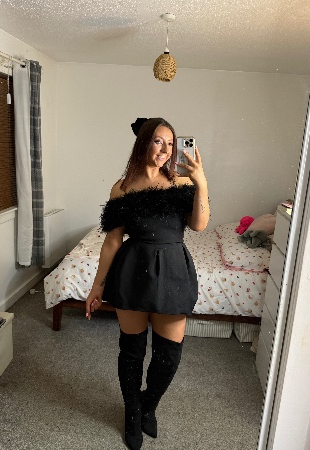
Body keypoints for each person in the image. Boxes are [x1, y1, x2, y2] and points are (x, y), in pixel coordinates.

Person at [85, 117, 209, 450]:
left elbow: (199, 225)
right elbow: (113, 240)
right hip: (132, 272)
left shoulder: (182, 181)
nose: (165, 149)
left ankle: (148, 405)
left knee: (169, 356)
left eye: (170, 143)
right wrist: (98, 286)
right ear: (143, 143)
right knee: (132, 351)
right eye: (157, 141)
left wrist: (200, 181)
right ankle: (132, 412)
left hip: (172, 272)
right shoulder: (122, 187)